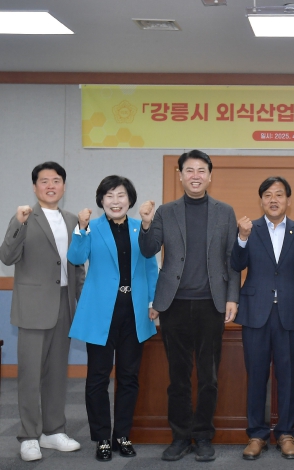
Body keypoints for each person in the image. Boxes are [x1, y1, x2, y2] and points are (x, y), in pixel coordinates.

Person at [138, 150, 240, 462]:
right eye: (189, 170)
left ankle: (204, 436)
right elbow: (148, 250)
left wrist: (232, 297)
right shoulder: (165, 212)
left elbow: (232, 259)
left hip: (211, 304)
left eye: (201, 170)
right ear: (180, 175)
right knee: (178, 376)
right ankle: (180, 436)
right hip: (175, 305)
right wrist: (145, 224)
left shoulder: (225, 212)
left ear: (210, 176)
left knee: (209, 377)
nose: (195, 176)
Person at [67, 176, 159, 461]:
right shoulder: (91, 227)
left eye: (121, 195)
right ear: (101, 201)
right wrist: (80, 229)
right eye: (109, 196)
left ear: (129, 200)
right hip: (101, 313)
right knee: (98, 378)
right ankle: (101, 438)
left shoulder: (141, 227)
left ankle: (122, 435)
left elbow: (151, 267)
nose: (115, 201)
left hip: (135, 312)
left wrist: (153, 301)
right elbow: (75, 257)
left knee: (129, 377)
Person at [0, 162, 85, 462]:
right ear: (35, 186)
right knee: (30, 375)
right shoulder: (25, 217)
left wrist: (82, 303)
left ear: (64, 186)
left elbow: (76, 265)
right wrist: (17, 223)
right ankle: (28, 435)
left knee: (57, 374)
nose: (51, 185)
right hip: (33, 307)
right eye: (44, 181)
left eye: (56, 180)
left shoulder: (72, 219)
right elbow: (7, 256)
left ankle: (53, 430)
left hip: (64, 303)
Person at [231, 176, 294, 460]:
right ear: (261, 201)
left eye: (279, 194)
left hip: (290, 314)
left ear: (288, 200)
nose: (273, 199)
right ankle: (256, 435)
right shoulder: (248, 229)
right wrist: (242, 238)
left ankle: (286, 434)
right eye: (268, 195)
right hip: (255, 313)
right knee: (256, 375)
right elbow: (236, 264)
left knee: (288, 376)